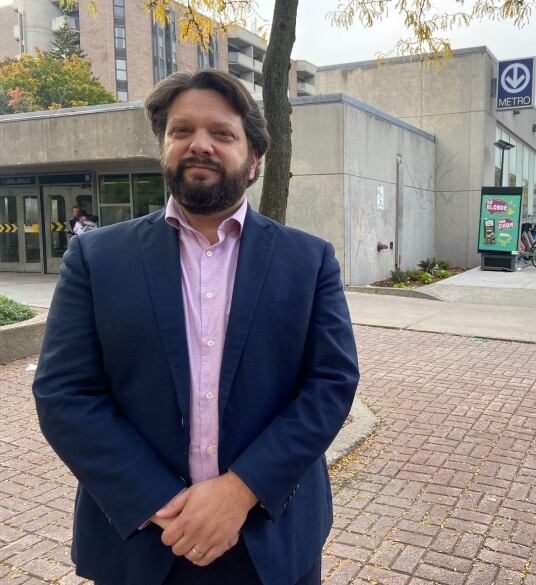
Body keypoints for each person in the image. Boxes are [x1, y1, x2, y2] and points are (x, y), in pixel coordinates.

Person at [32, 69, 359, 585]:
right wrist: (160, 501)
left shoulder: (308, 260)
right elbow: (64, 393)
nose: (198, 145)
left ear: (254, 160)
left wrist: (239, 491)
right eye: (181, 131)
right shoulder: (95, 258)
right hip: (142, 541)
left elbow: (330, 384)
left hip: (269, 542)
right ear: (164, 146)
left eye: (221, 134)